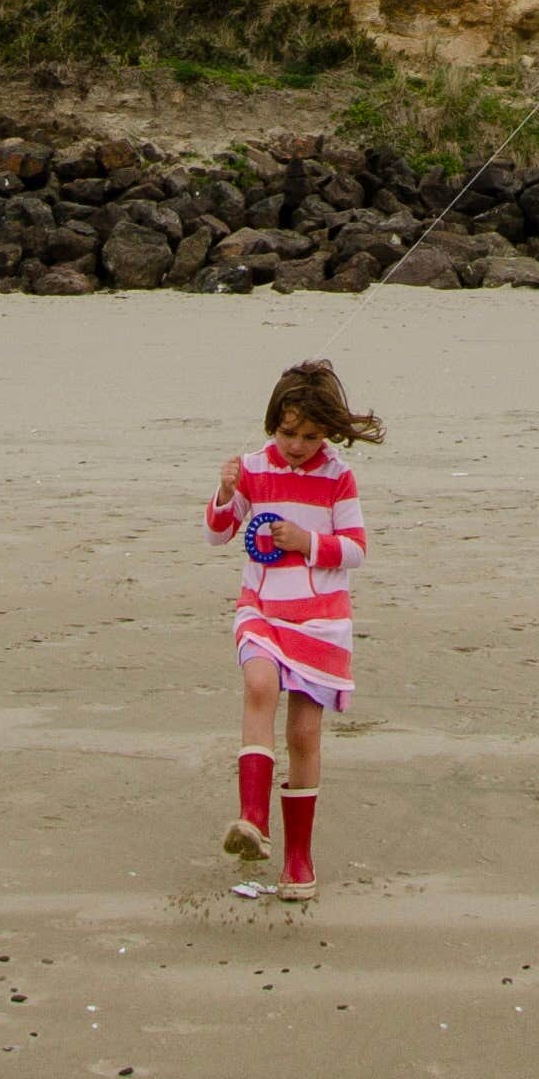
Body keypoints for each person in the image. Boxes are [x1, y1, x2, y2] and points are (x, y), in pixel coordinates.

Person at [204, 358, 377, 902]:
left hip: (321, 620)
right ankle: (251, 819)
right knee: (258, 686)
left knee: (304, 735)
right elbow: (218, 535)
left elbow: (355, 549)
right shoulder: (254, 467)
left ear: (326, 433)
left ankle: (298, 858)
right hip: (262, 607)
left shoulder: (337, 477)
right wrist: (226, 492)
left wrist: (307, 543)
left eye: (309, 435)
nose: (297, 445)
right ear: (271, 425)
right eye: (287, 433)